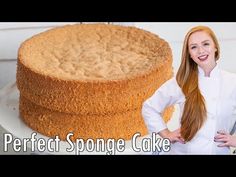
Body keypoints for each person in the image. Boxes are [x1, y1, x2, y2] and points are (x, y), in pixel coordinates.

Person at [142, 25, 236, 154]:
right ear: (190, 55)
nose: (200, 51)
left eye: (206, 44)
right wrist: (166, 134)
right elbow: (150, 108)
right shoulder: (182, 82)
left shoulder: (232, 82)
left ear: (215, 47)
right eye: (194, 47)